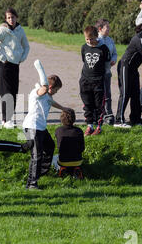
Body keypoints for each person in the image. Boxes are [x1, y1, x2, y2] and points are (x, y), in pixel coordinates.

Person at [22, 60, 69, 190]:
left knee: (49, 146)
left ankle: (40, 173)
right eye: (56, 90)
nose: (56, 92)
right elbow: (43, 89)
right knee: (36, 155)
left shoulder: (47, 96)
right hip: (32, 126)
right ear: (49, 87)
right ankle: (31, 184)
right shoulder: (37, 92)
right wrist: (39, 68)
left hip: (40, 127)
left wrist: (63, 108)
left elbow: (51, 102)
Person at [0, 8, 30, 129]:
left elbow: (26, 46)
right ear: (6, 19)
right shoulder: (3, 31)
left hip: (16, 65)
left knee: (14, 91)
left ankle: (7, 118)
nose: (11, 19)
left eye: (13, 17)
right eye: (9, 18)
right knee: (6, 92)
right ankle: (6, 120)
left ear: (17, 17)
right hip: (5, 64)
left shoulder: (20, 30)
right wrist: (1, 57)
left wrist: (22, 58)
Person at [80, 26, 111, 136]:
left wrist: (105, 75)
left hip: (98, 81)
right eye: (87, 39)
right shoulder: (84, 47)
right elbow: (84, 60)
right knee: (88, 104)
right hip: (85, 80)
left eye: (91, 39)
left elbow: (107, 63)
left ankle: (99, 126)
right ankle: (89, 126)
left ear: (97, 37)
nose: (89, 41)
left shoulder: (103, 48)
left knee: (98, 105)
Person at [95, 19, 117, 125]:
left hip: (107, 71)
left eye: (109, 27)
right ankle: (99, 113)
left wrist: (114, 59)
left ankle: (108, 114)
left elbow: (115, 53)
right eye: (106, 27)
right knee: (99, 93)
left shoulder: (110, 40)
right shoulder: (96, 40)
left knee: (107, 93)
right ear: (100, 29)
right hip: (98, 73)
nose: (109, 29)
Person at [54, 108, 85, 179]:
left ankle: (62, 169)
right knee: (74, 159)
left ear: (61, 119)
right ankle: (76, 169)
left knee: (54, 158)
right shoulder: (79, 131)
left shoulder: (58, 130)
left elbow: (58, 146)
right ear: (74, 119)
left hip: (63, 160)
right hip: (78, 161)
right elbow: (82, 148)